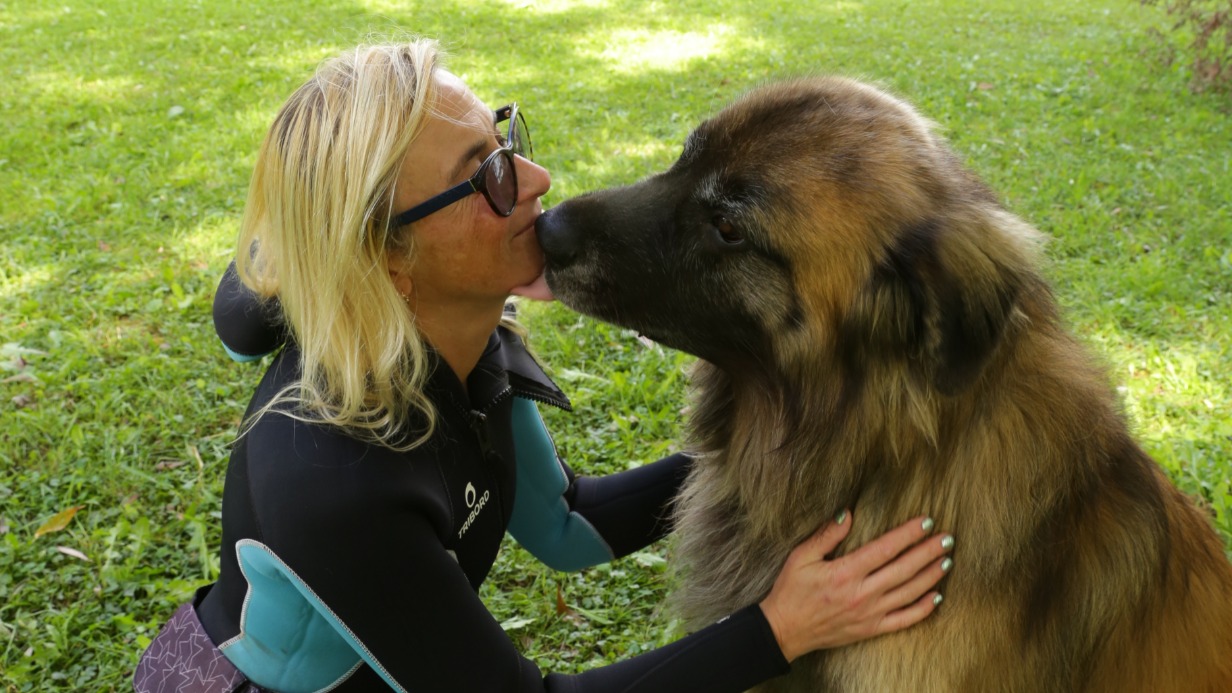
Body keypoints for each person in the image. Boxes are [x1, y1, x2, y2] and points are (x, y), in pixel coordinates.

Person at [133, 39, 954, 693]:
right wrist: (781, 626)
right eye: (485, 178)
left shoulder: (461, 338)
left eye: (505, 140)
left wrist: (798, 466)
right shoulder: (333, 484)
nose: (535, 180)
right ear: (392, 257)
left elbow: (568, 526)